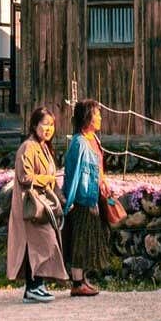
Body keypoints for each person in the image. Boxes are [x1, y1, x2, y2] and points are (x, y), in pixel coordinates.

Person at [4, 106, 69, 303]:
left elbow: (52, 180)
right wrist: (47, 178)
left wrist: (62, 199)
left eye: (51, 125)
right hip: (30, 205)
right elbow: (25, 176)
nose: (48, 129)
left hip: (42, 205)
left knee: (41, 245)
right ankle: (33, 286)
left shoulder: (44, 148)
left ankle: (35, 286)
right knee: (42, 243)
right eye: (44, 124)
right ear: (34, 125)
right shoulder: (28, 147)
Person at [60, 99, 115, 297]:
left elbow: (98, 168)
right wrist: (73, 200)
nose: (100, 117)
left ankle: (83, 279)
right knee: (81, 240)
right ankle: (76, 282)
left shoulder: (93, 139)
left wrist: (104, 184)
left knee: (91, 237)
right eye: (97, 114)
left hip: (94, 195)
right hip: (82, 199)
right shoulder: (79, 143)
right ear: (87, 117)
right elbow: (74, 174)